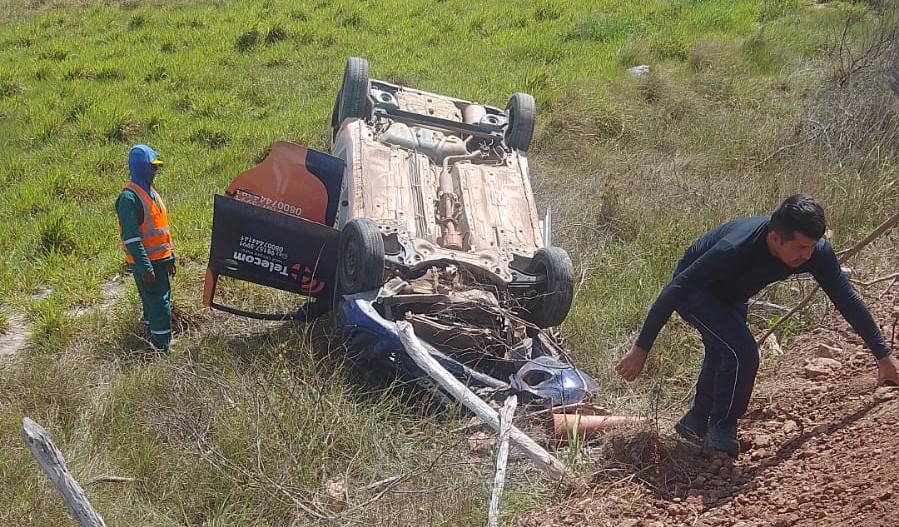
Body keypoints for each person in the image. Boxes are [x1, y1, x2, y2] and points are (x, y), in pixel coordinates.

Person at [615, 194, 899, 457]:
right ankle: (722, 431)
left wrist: (883, 356)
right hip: (695, 291)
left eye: (812, 247)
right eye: (801, 248)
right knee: (742, 352)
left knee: (724, 350)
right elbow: (675, 289)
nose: (808, 256)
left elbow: (845, 298)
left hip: (732, 293)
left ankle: (696, 422)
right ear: (775, 239)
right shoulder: (733, 250)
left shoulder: (815, 252)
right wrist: (641, 349)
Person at [116, 144, 175, 351]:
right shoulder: (129, 198)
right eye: (152, 167)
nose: (155, 171)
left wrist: (170, 258)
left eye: (157, 167)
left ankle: (152, 340)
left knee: (155, 303)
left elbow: (161, 228)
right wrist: (145, 267)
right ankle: (163, 348)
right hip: (147, 264)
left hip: (160, 261)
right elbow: (131, 239)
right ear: (141, 167)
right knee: (159, 306)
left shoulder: (150, 192)